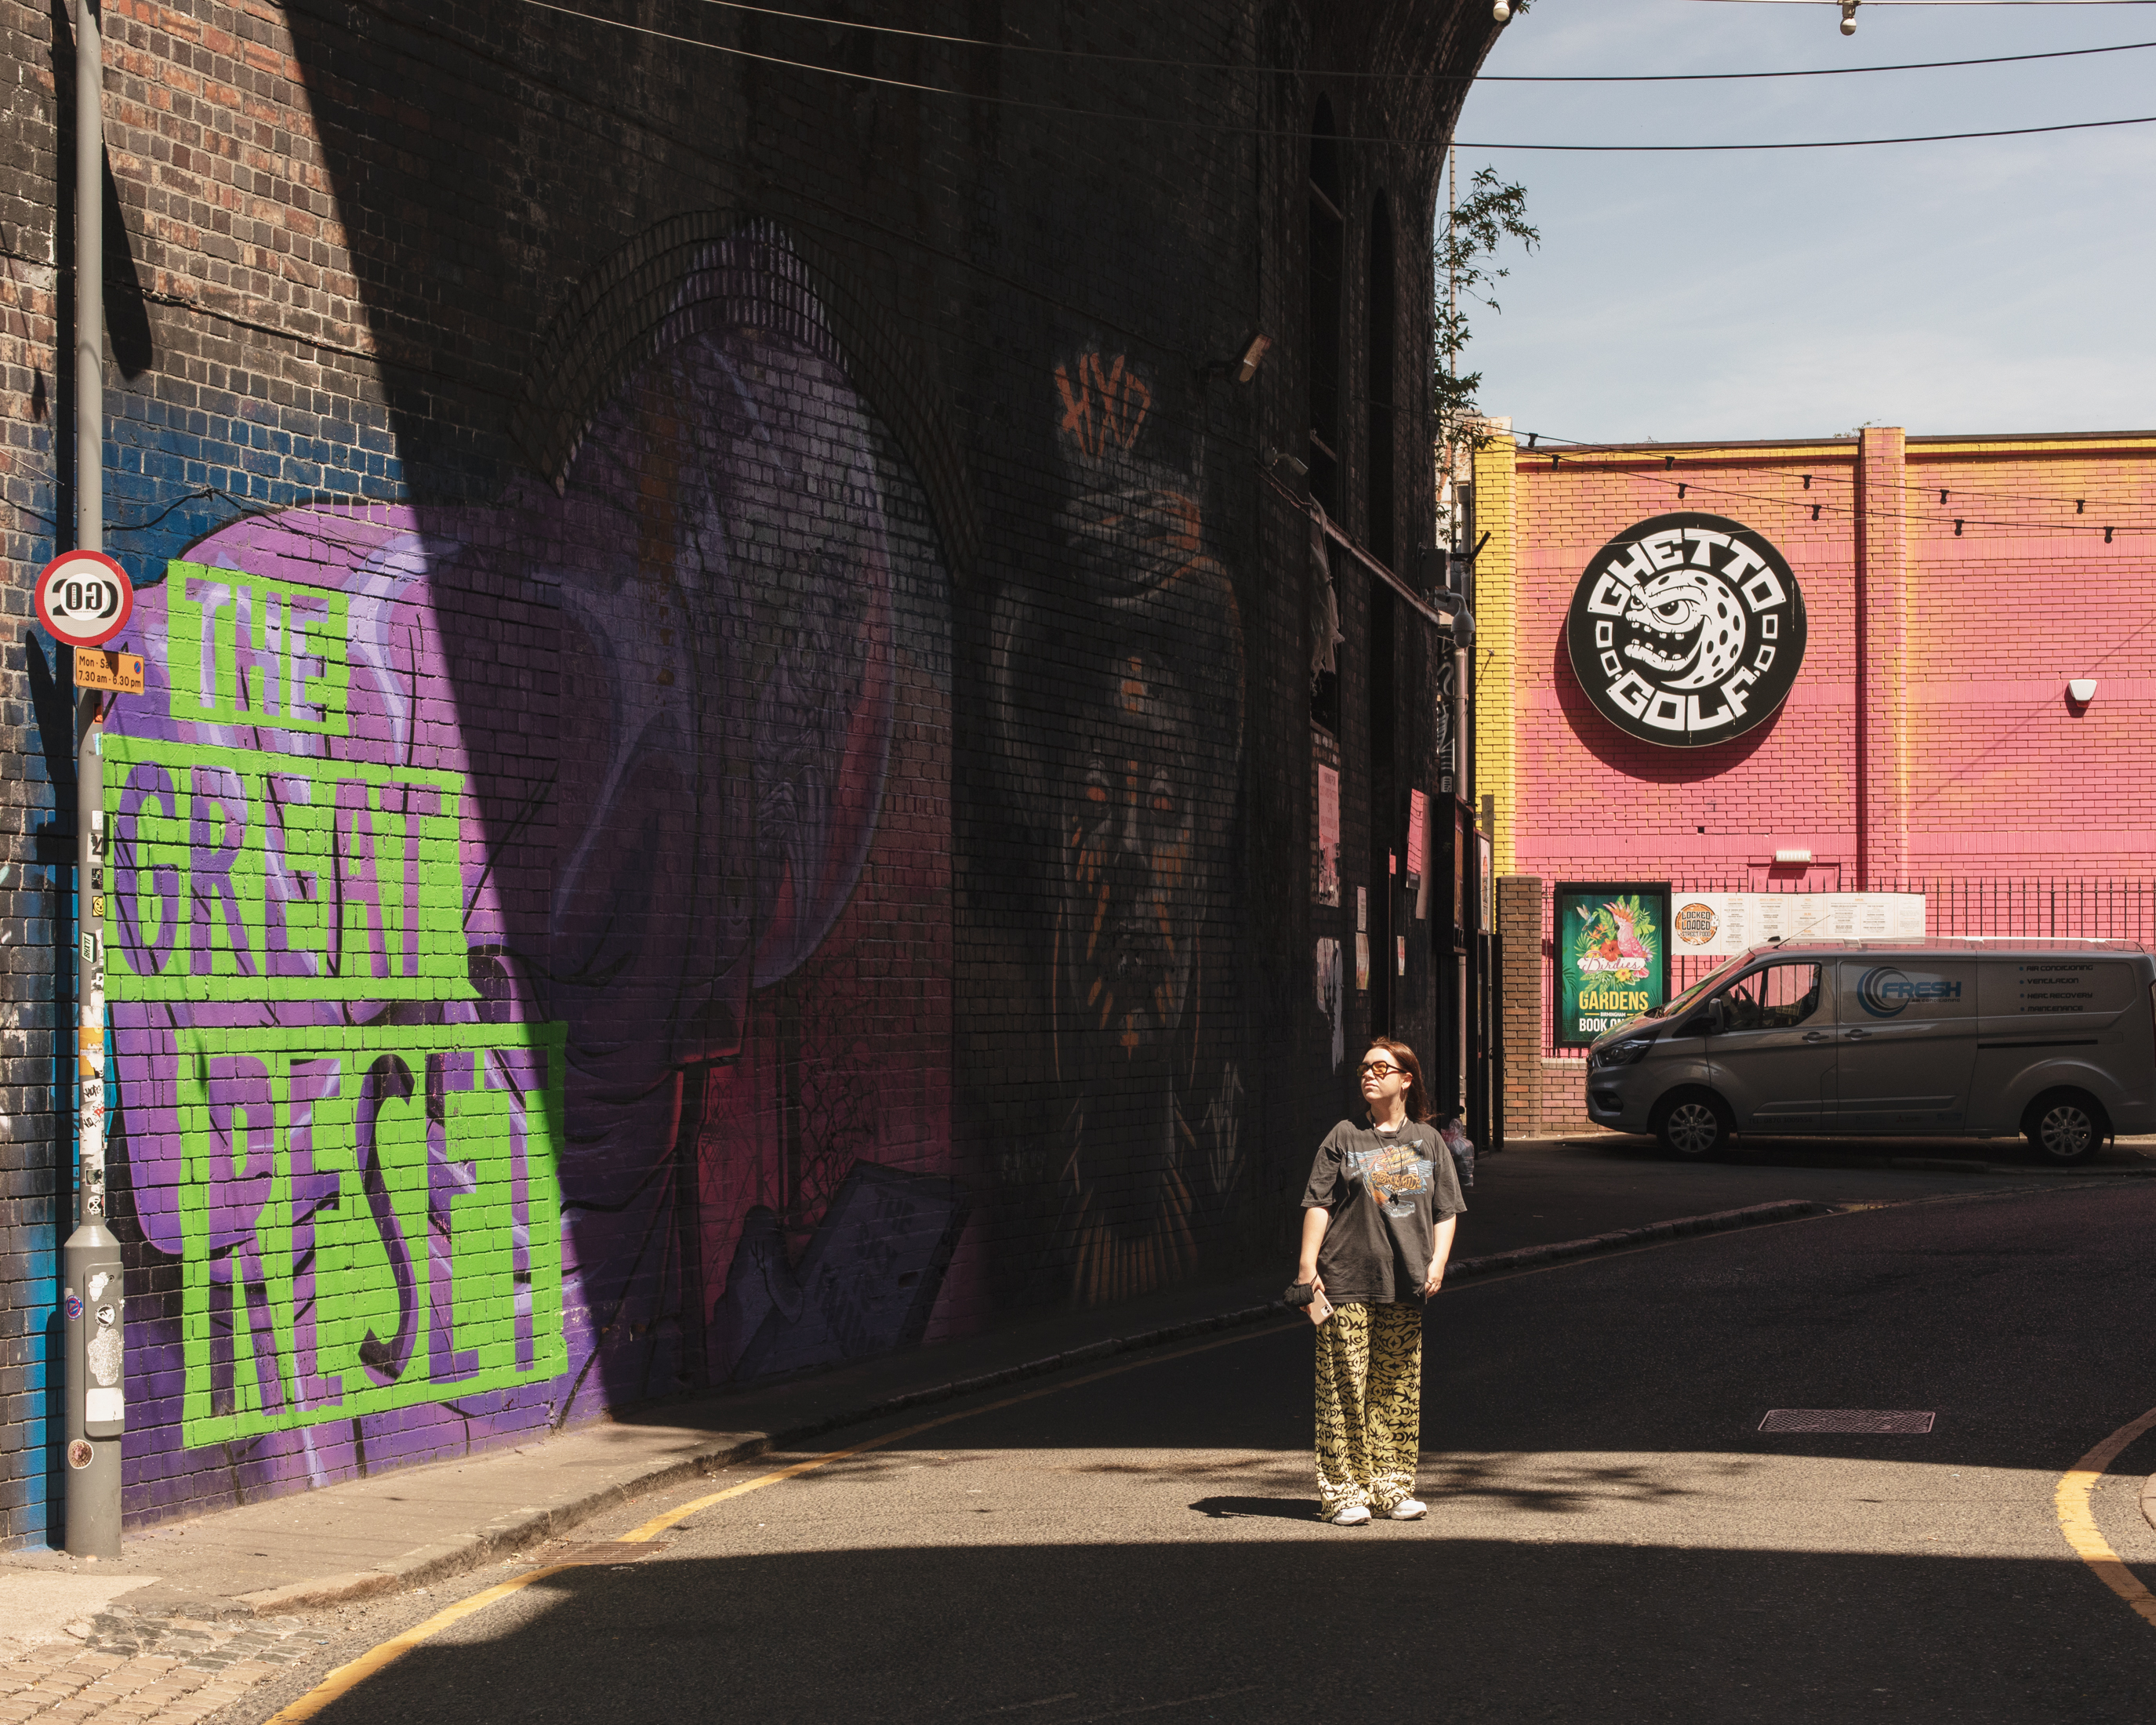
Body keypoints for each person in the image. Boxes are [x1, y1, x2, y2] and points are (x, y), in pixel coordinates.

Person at [1296, 1038, 1465, 1525]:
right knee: (1343, 1388)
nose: (1368, 1075)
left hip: (1405, 1281)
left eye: (1380, 1068)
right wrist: (1308, 1270)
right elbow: (1318, 1204)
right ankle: (1344, 1494)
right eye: (1364, 1068)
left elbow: (1445, 1211)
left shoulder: (1428, 1142)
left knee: (1395, 1389)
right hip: (1344, 1278)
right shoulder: (1343, 1137)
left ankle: (1391, 1488)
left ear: (1405, 1079)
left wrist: (1436, 1266)